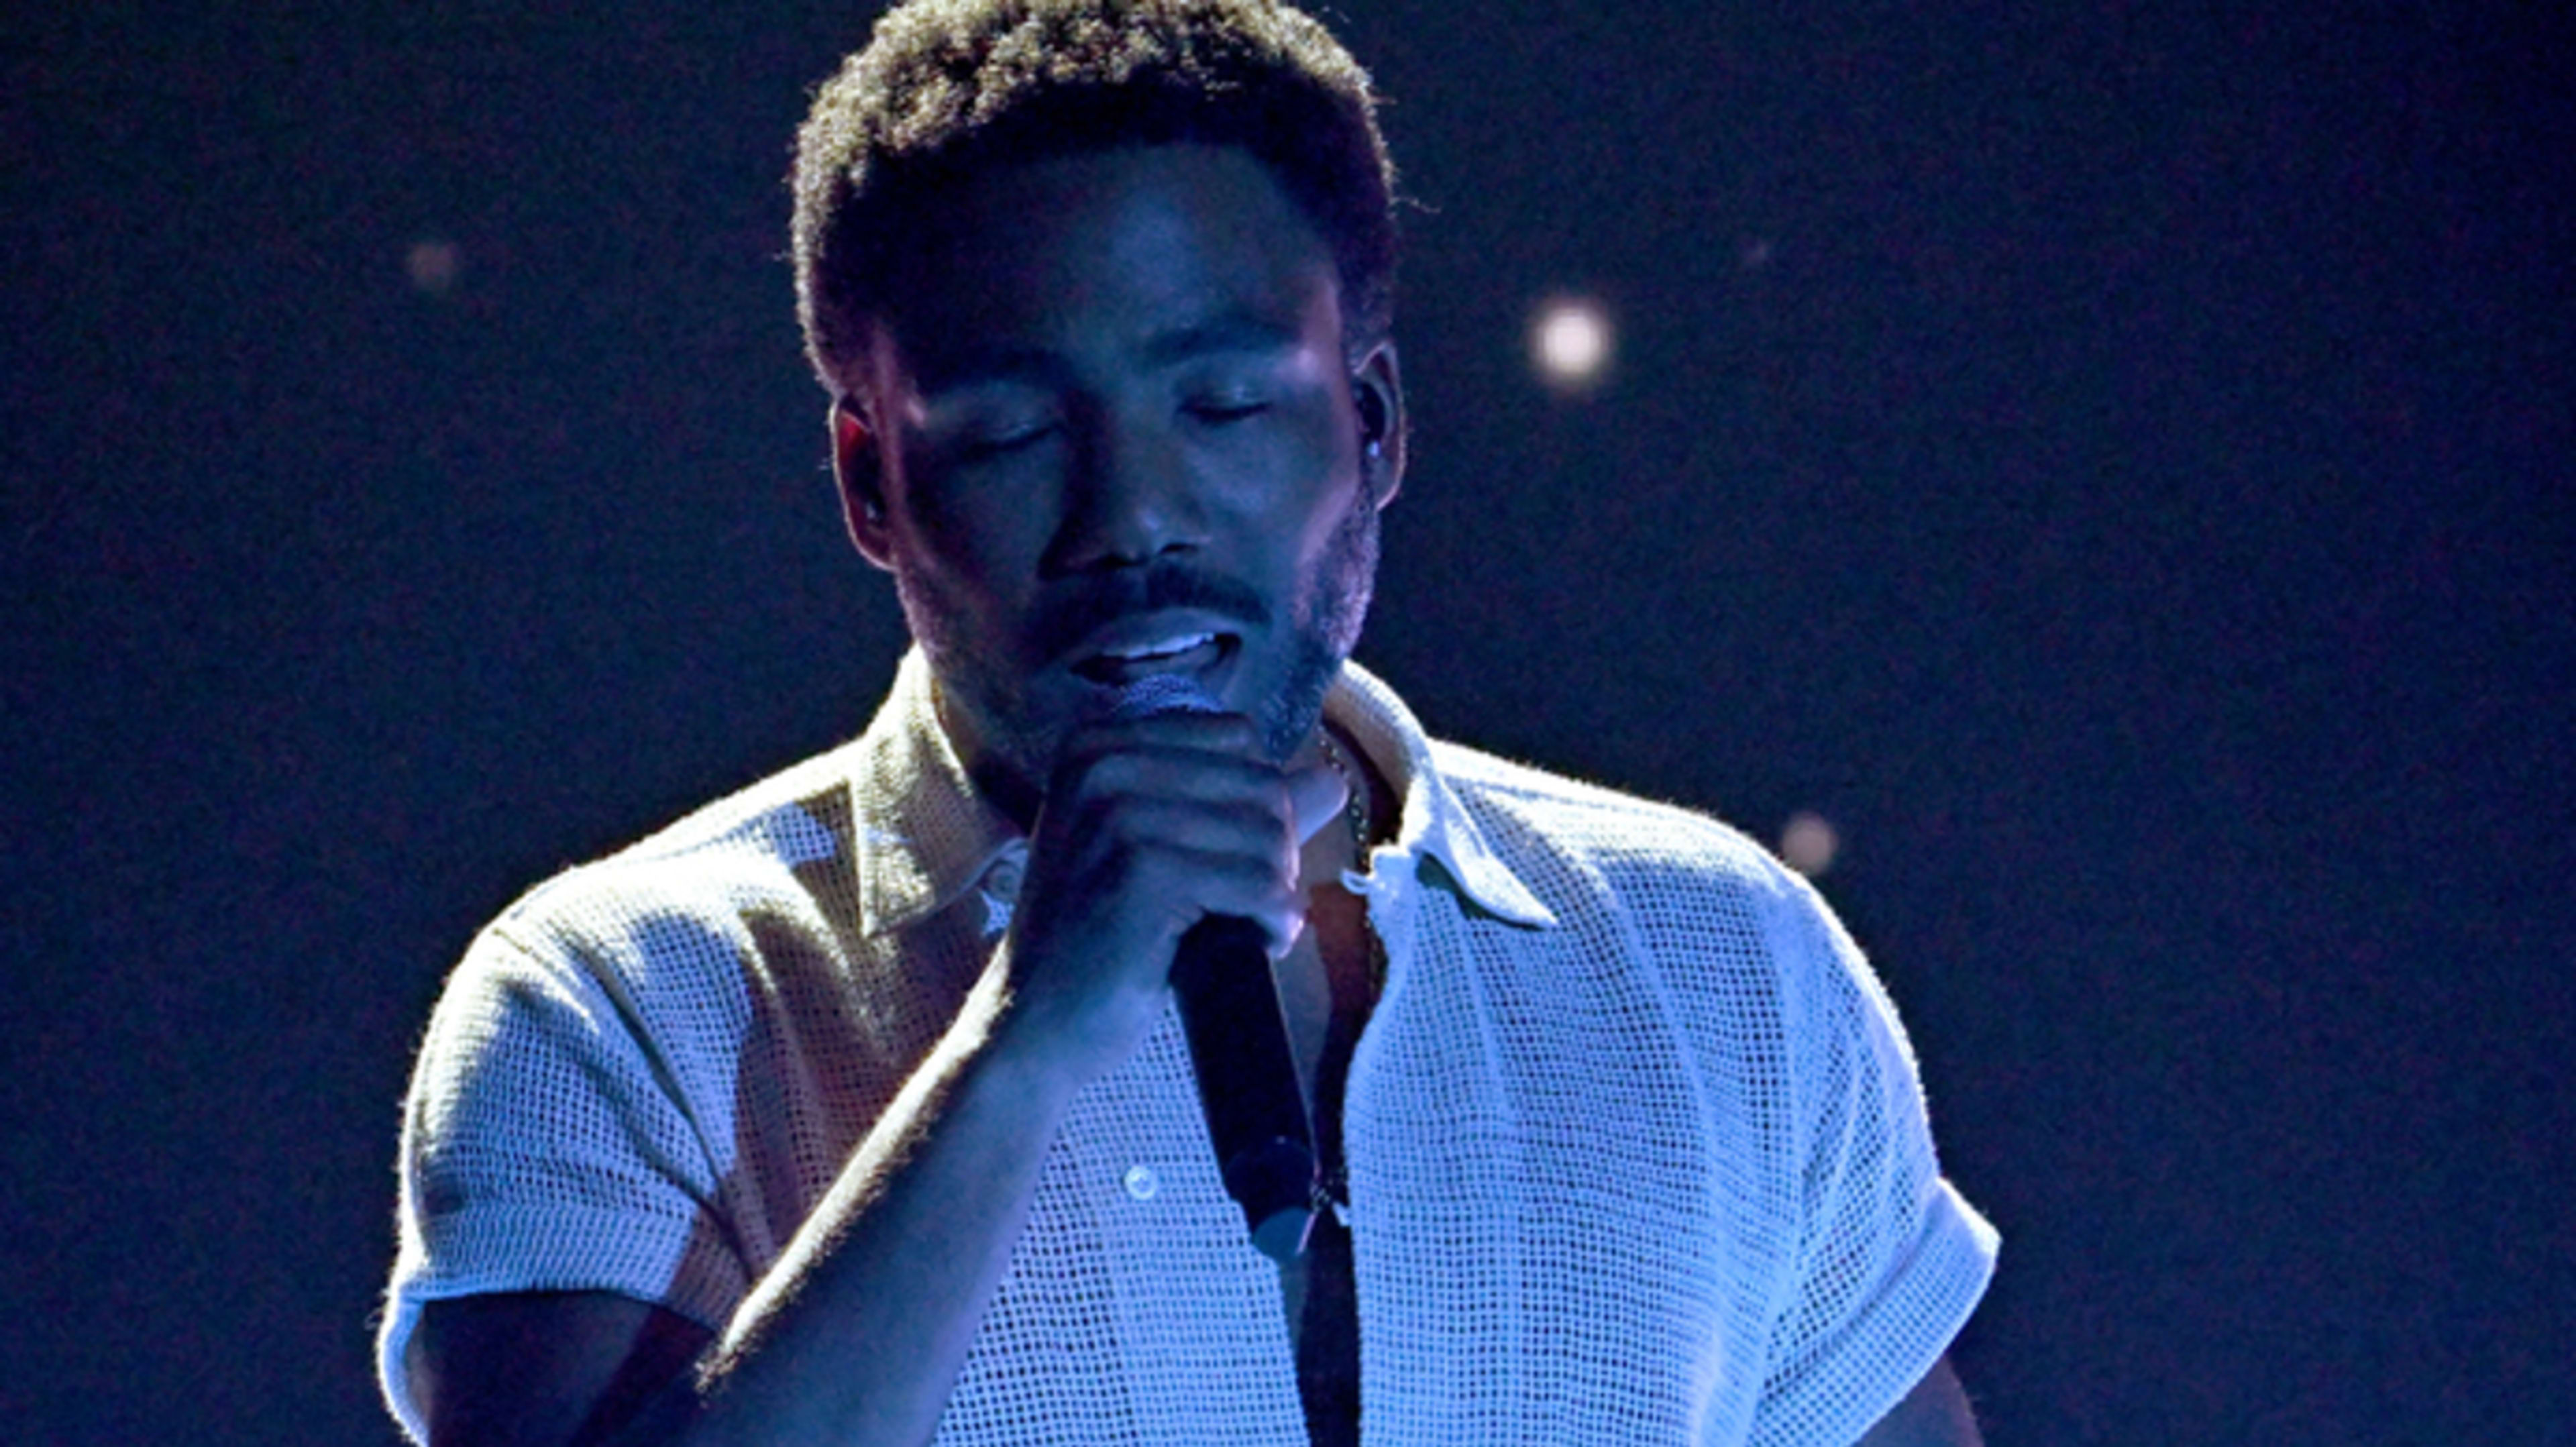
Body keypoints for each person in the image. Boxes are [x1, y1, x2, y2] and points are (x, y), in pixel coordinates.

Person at [376, 2, 2000, 1443]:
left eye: (1221, 405)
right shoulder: (616, 999)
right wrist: (1026, 1043)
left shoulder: (1719, 957)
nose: (1132, 516)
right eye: (1012, 429)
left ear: (1368, 423)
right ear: (873, 480)